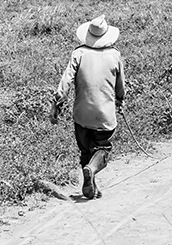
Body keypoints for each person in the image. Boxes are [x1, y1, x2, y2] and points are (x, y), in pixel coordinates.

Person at [51, 15, 126, 200]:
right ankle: (91, 170)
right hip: (104, 114)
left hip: (81, 114)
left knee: (85, 150)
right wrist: (120, 99)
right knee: (103, 148)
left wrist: (57, 103)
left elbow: (66, 80)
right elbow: (120, 85)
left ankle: (91, 183)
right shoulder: (114, 55)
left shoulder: (79, 54)